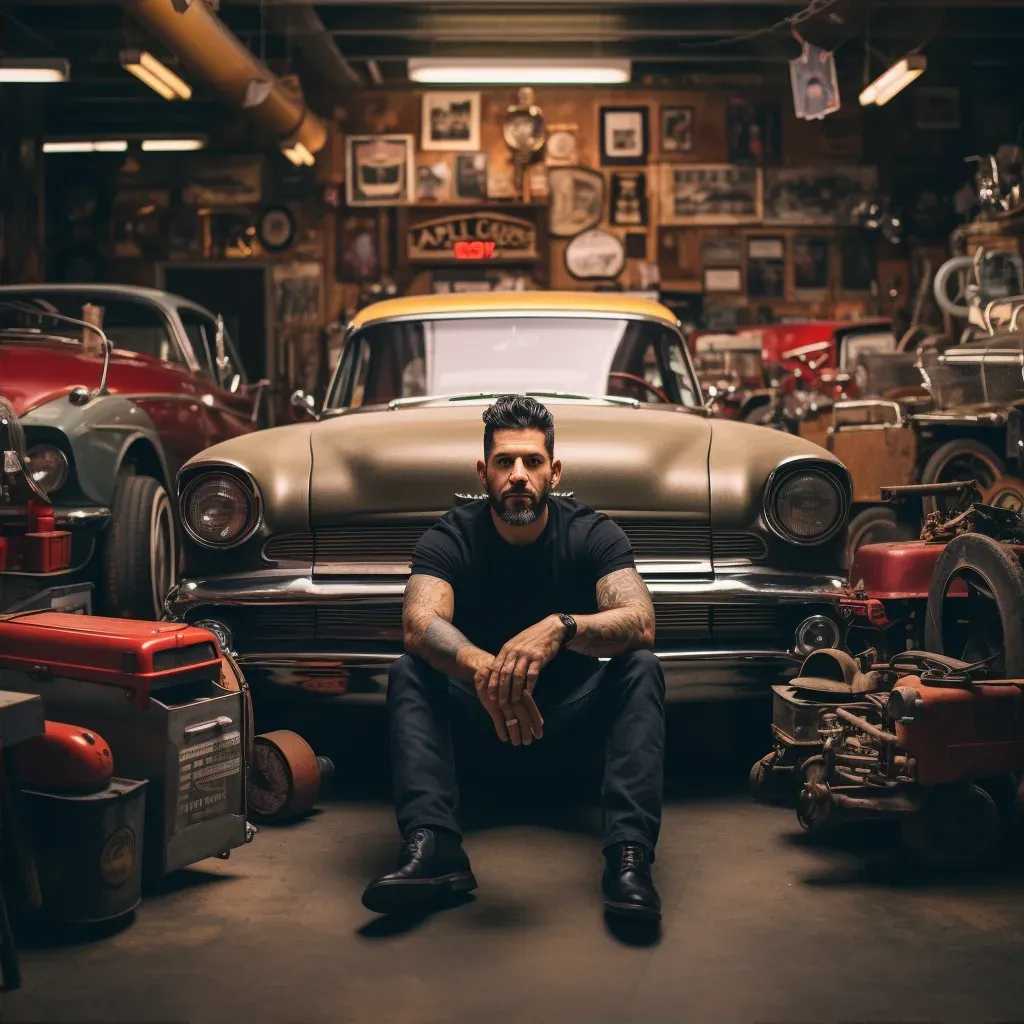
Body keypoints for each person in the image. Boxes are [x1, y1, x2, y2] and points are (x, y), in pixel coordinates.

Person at [362, 395, 666, 922]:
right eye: (505, 462)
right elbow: (419, 625)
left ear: (555, 470)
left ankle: (628, 858)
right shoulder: (451, 534)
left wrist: (561, 627)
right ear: (484, 472)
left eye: (532, 461)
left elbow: (640, 622)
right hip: (481, 728)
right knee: (409, 669)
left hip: (569, 728)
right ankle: (433, 847)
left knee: (641, 667)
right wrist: (486, 668)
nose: (519, 475)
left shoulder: (591, 532)